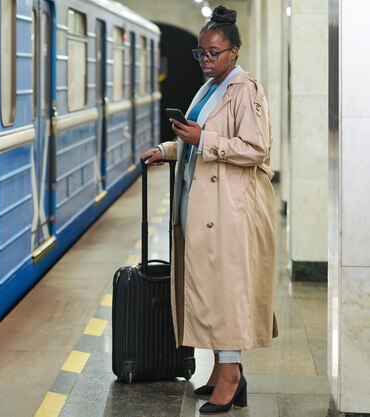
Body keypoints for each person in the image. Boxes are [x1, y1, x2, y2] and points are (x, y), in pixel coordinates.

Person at [142, 5, 277, 414]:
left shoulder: (244, 89)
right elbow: (196, 134)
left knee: (226, 292)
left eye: (213, 53)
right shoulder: (210, 87)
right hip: (205, 205)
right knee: (214, 290)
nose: (205, 60)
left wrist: (204, 139)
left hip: (231, 209)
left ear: (234, 51)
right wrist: (168, 149)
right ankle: (223, 371)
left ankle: (232, 376)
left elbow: (255, 149)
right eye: (200, 53)